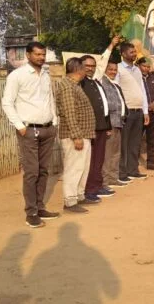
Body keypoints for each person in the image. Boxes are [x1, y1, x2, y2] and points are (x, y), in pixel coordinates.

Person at [1, 41, 59, 228]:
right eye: (37, 54)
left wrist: (54, 121)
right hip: (28, 129)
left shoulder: (45, 75)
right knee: (32, 172)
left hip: (48, 128)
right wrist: (19, 125)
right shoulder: (17, 76)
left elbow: (49, 98)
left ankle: (40, 207)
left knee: (43, 171)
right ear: (28, 55)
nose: (41, 58)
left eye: (43, 54)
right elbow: (7, 102)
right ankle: (31, 212)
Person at [53, 58, 97, 214]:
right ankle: (70, 201)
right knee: (74, 168)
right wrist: (76, 136)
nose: (87, 70)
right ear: (79, 69)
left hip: (83, 133)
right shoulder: (67, 86)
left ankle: (79, 195)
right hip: (75, 135)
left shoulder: (74, 85)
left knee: (82, 168)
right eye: (85, 68)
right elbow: (69, 113)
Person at [80, 55, 114, 201]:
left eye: (93, 66)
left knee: (99, 159)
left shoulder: (95, 82)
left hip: (101, 127)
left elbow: (103, 105)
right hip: (89, 128)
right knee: (91, 160)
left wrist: (108, 125)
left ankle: (97, 186)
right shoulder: (80, 83)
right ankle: (89, 190)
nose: (90, 68)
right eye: (87, 66)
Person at [116, 41, 150, 182]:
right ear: (123, 54)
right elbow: (116, 90)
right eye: (131, 52)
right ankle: (122, 173)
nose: (134, 54)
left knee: (135, 143)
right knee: (123, 143)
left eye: (134, 51)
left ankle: (133, 170)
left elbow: (142, 90)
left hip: (138, 111)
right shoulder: (117, 69)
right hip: (127, 111)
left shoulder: (136, 69)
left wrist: (145, 111)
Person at [101, 61, 127, 189]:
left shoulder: (114, 84)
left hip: (118, 123)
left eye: (115, 69)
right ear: (104, 70)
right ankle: (104, 181)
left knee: (116, 153)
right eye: (110, 69)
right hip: (109, 124)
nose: (113, 71)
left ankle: (113, 178)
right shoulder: (102, 82)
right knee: (107, 154)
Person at [138, 57, 154, 170]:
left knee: (151, 139)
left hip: (152, 113)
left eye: (148, 67)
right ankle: (134, 163)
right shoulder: (135, 79)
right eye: (144, 66)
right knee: (137, 139)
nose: (146, 69)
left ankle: (151, 162)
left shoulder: (153, 78)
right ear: (139, 66)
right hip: (139, 114)